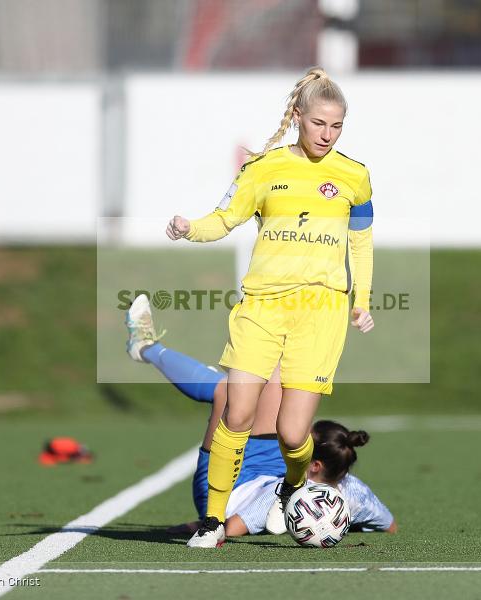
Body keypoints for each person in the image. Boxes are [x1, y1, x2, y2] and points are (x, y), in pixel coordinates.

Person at [165, 66, 376, 548]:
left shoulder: (355, 177)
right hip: (262, 306)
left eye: (337, 125)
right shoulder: (262, 169)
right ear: (298, 117)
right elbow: (224, 219)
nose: (327, 134)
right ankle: (213, 520)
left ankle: (293, 487)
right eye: (319, 123)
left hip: (320, 313)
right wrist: (188, 227)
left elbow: (361, 243)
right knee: (236, 414)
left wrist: (360, 301)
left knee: (292, 432)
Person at [124, 295, 395, 538]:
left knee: (227, 393)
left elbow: (230, 528)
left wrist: (197, 525)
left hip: (225, 487)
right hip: (270, 460)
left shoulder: (278, 496)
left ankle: (145, 346)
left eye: (305, 441)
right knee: (276, 365)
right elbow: (389, 524)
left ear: (314, 465)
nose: (300, 435)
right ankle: (209, 377)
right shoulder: (354, 491)